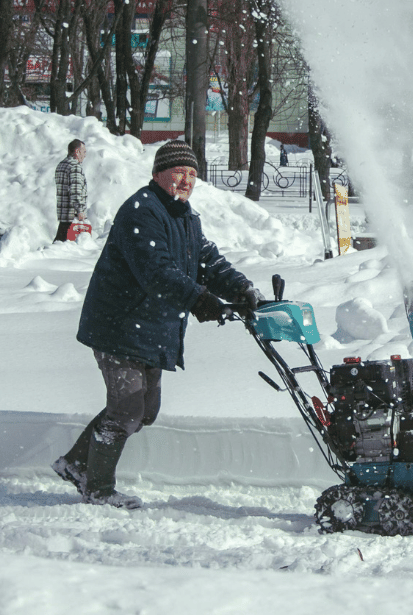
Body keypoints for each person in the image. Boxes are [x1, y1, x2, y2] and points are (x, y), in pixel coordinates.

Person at [51, 141, 263, 509]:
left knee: (145, 411)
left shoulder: (184, 215)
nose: (186, 181)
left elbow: (205, 259)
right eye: (178, 172)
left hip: (151, 327)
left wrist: (240, 287)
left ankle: (75, 462)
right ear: (157, 174)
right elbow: (156, 271)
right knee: (127, 409)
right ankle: (96, 486)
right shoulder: (141, 211)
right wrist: (198, 299)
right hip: (120, 325)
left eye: (192, 175)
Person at [54, 139, 88, 242]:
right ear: (77, 151)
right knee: (66, 248)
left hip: (63, 214)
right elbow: (75, 191)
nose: (85, 155)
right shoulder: (75, 167)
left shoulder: (61, 165)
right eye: (84, 152)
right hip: (73, 216)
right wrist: (80, 211)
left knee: (60, 241)